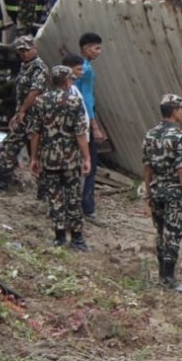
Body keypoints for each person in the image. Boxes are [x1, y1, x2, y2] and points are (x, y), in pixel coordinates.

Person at [26, 65, 90, 250]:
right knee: (73, 197)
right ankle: (77, 238)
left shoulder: (40, 101)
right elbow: (80, 134)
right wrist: (86, 158)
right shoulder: (75, 102)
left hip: (49, 158)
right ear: (68, 81)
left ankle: (59, 236)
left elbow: (35, 133)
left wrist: (34, 158)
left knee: (54, 196)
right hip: (70, 159)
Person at [143, 94, 182, 290]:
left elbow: (147, 166)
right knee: (172, 234)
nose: (181, 112)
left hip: (156, 190)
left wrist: (148, 193)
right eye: (180, 109)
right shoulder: (179, 136)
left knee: (160, 232)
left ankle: (161, 275)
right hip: (174, 192)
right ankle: (169, 278)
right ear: (175, 112)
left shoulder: (150, 134)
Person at [0, 35, 48, 183]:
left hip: (33, 116)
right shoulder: (25, 66)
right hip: (24, 115)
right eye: (21, 51)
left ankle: (4, 181)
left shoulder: (39, 68)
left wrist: (22, 111)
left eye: (27, 50)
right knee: (19, 147)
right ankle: (9, 179)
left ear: (34, 48)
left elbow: (34, 92)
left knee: (9, 146)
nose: (24, 54)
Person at [75, 32, 105, 221]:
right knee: (90, 164)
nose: (99, 52)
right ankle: (88, 207)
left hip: (76, 121)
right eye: (96, 48)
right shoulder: (86, 70)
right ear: (86, 49)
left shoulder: (76, 69)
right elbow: (87, 98)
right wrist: (94, 126)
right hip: (84, 122)